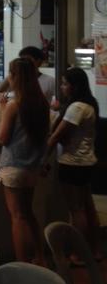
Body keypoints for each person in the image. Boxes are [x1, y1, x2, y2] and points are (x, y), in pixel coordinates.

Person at [0, 57, 50, 264]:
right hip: (32, 167)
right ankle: (40, 257)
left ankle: (22, 264)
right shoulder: (42, 103)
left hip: (13, 166)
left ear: (16, 77)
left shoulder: (14, 105)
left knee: (17, 217)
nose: (9, 77)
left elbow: (3, 138)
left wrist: (3, 111)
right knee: (29, 213)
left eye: (11, 73)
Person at [46, 67, 102, 261]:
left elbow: (56, 136)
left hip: (72, 163)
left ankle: (79, 254)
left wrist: (42, 161)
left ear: (74, 86)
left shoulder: (76, 108)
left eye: (64, 84)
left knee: (76, 210)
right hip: (86, 162)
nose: (62, 87)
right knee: (88, 208)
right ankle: (95, 250)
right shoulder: (89, 104)